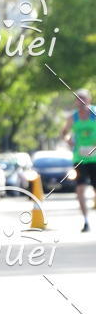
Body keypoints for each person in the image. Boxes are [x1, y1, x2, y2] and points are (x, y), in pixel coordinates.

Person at [62, 88, 96, 232]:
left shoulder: (94, 114)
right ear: (76, 101)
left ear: (89, 100)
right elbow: (64, 133)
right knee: (80, 189)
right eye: (78, 98)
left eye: (84, 98)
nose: (81, 101)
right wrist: (68, 140)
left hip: (95, 158)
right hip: (80, 159)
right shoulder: (73, 117)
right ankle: (86, 221)